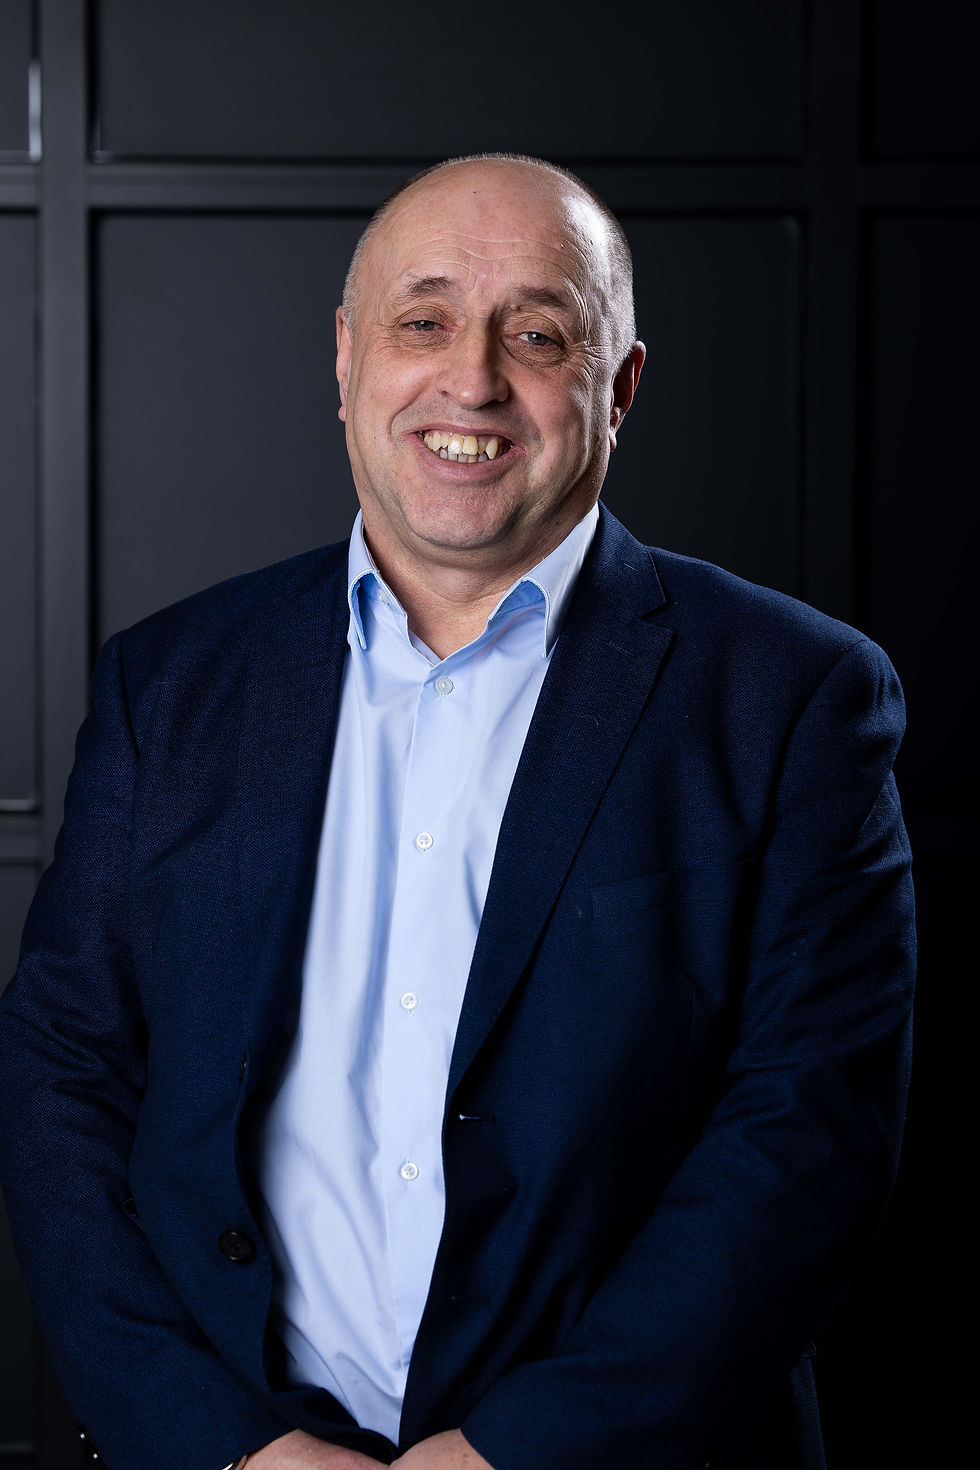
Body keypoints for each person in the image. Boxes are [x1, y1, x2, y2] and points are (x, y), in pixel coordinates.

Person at [0, 154, 914, 1470]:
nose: (472, 379)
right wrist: (227, 1444)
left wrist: (510, 1454)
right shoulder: (172, 680)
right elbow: (63, 1074)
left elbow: (805, 1144)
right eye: (422, 321)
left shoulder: (794, 698)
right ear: (345, 359)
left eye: (539, 334)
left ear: (623, 386)